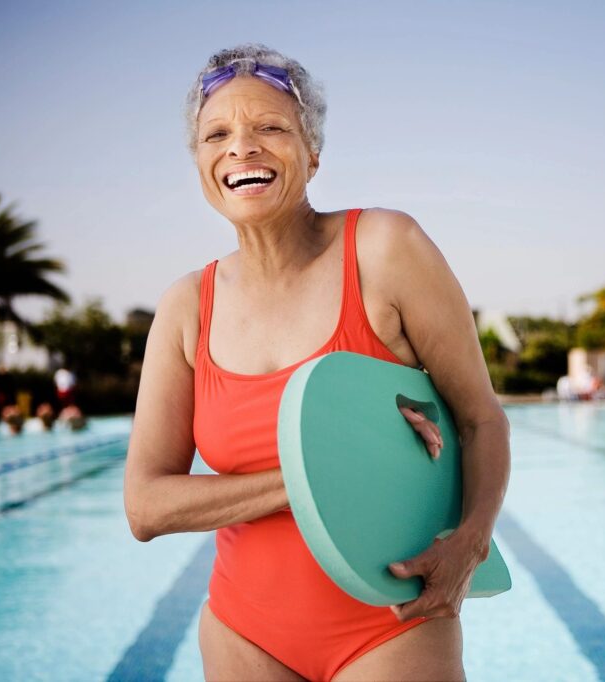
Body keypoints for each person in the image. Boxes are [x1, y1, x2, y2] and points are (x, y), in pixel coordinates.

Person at [122, 44, 510, 682]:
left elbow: (481, 420)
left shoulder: (385, 249)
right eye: (216, 134)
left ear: (313, 152)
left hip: (390, 623)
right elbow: (146, 506)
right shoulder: (187, 306)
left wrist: (470, 543)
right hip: (243, 632)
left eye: (270, 128)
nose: (241, 148)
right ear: (200, 162)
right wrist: (326, 474)